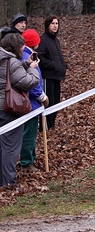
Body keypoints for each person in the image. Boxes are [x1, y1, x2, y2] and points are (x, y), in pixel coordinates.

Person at [0, 33, 40, 188]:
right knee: (10, 147)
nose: (25, 48)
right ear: (16, 47)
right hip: (8, 109)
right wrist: (32, 69)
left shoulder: (6, 61)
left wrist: (24, 64)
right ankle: (8, 182)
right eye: (22, 46)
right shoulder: (11, 62)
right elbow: (30, 82)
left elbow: (9, 75)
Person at [19, 29, 49, 172]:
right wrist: (42, 96)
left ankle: (30, 159)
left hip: (28, 102)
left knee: (29, 133)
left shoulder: (24, 55)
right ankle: (27, 162)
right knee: (29, 133)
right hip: (30, 103)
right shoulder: (28, 57)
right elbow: (31, 81)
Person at [37, 15, 67, 130]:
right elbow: (41, 58)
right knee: (48, 102)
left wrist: (63, 66)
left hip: (56, 76)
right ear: (47, 25)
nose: (55, 26)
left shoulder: (56, 40)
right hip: (47, 76)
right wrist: (54, 65)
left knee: (56, 103)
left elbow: (57, 57)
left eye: (57, 23)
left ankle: (51, 125)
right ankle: (45, 127)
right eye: (53, 23)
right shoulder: (43, 40)